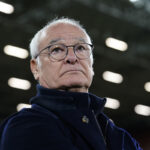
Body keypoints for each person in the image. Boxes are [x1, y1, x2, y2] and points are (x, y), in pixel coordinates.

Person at [0, 17, 142, 150]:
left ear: (91, 62)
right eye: (56, 50)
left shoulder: (121, 137)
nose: (72, 57)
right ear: (35, 68)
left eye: (80, 48)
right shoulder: (25, 127)